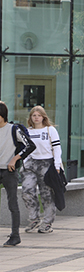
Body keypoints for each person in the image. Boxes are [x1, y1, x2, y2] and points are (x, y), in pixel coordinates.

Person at [21, 106, 62, 234]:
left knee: (46, 194)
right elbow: (25, 149)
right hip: (31, 164)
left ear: (43, 117)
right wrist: (24, 163)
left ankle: (48, 222)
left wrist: (57, 164)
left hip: (47, 163)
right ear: (31, 118)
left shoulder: (50, 130)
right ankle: (34, 218)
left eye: (39, 115)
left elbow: (57, 148)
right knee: (27, 191)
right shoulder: (27, 131)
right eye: (34, 115)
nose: (36, 117)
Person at [0, 101, 36, 246]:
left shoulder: (13, 129)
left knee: (12, 203)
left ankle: (15, 236)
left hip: (9, 171)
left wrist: (14, 159)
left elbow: (30, 145)